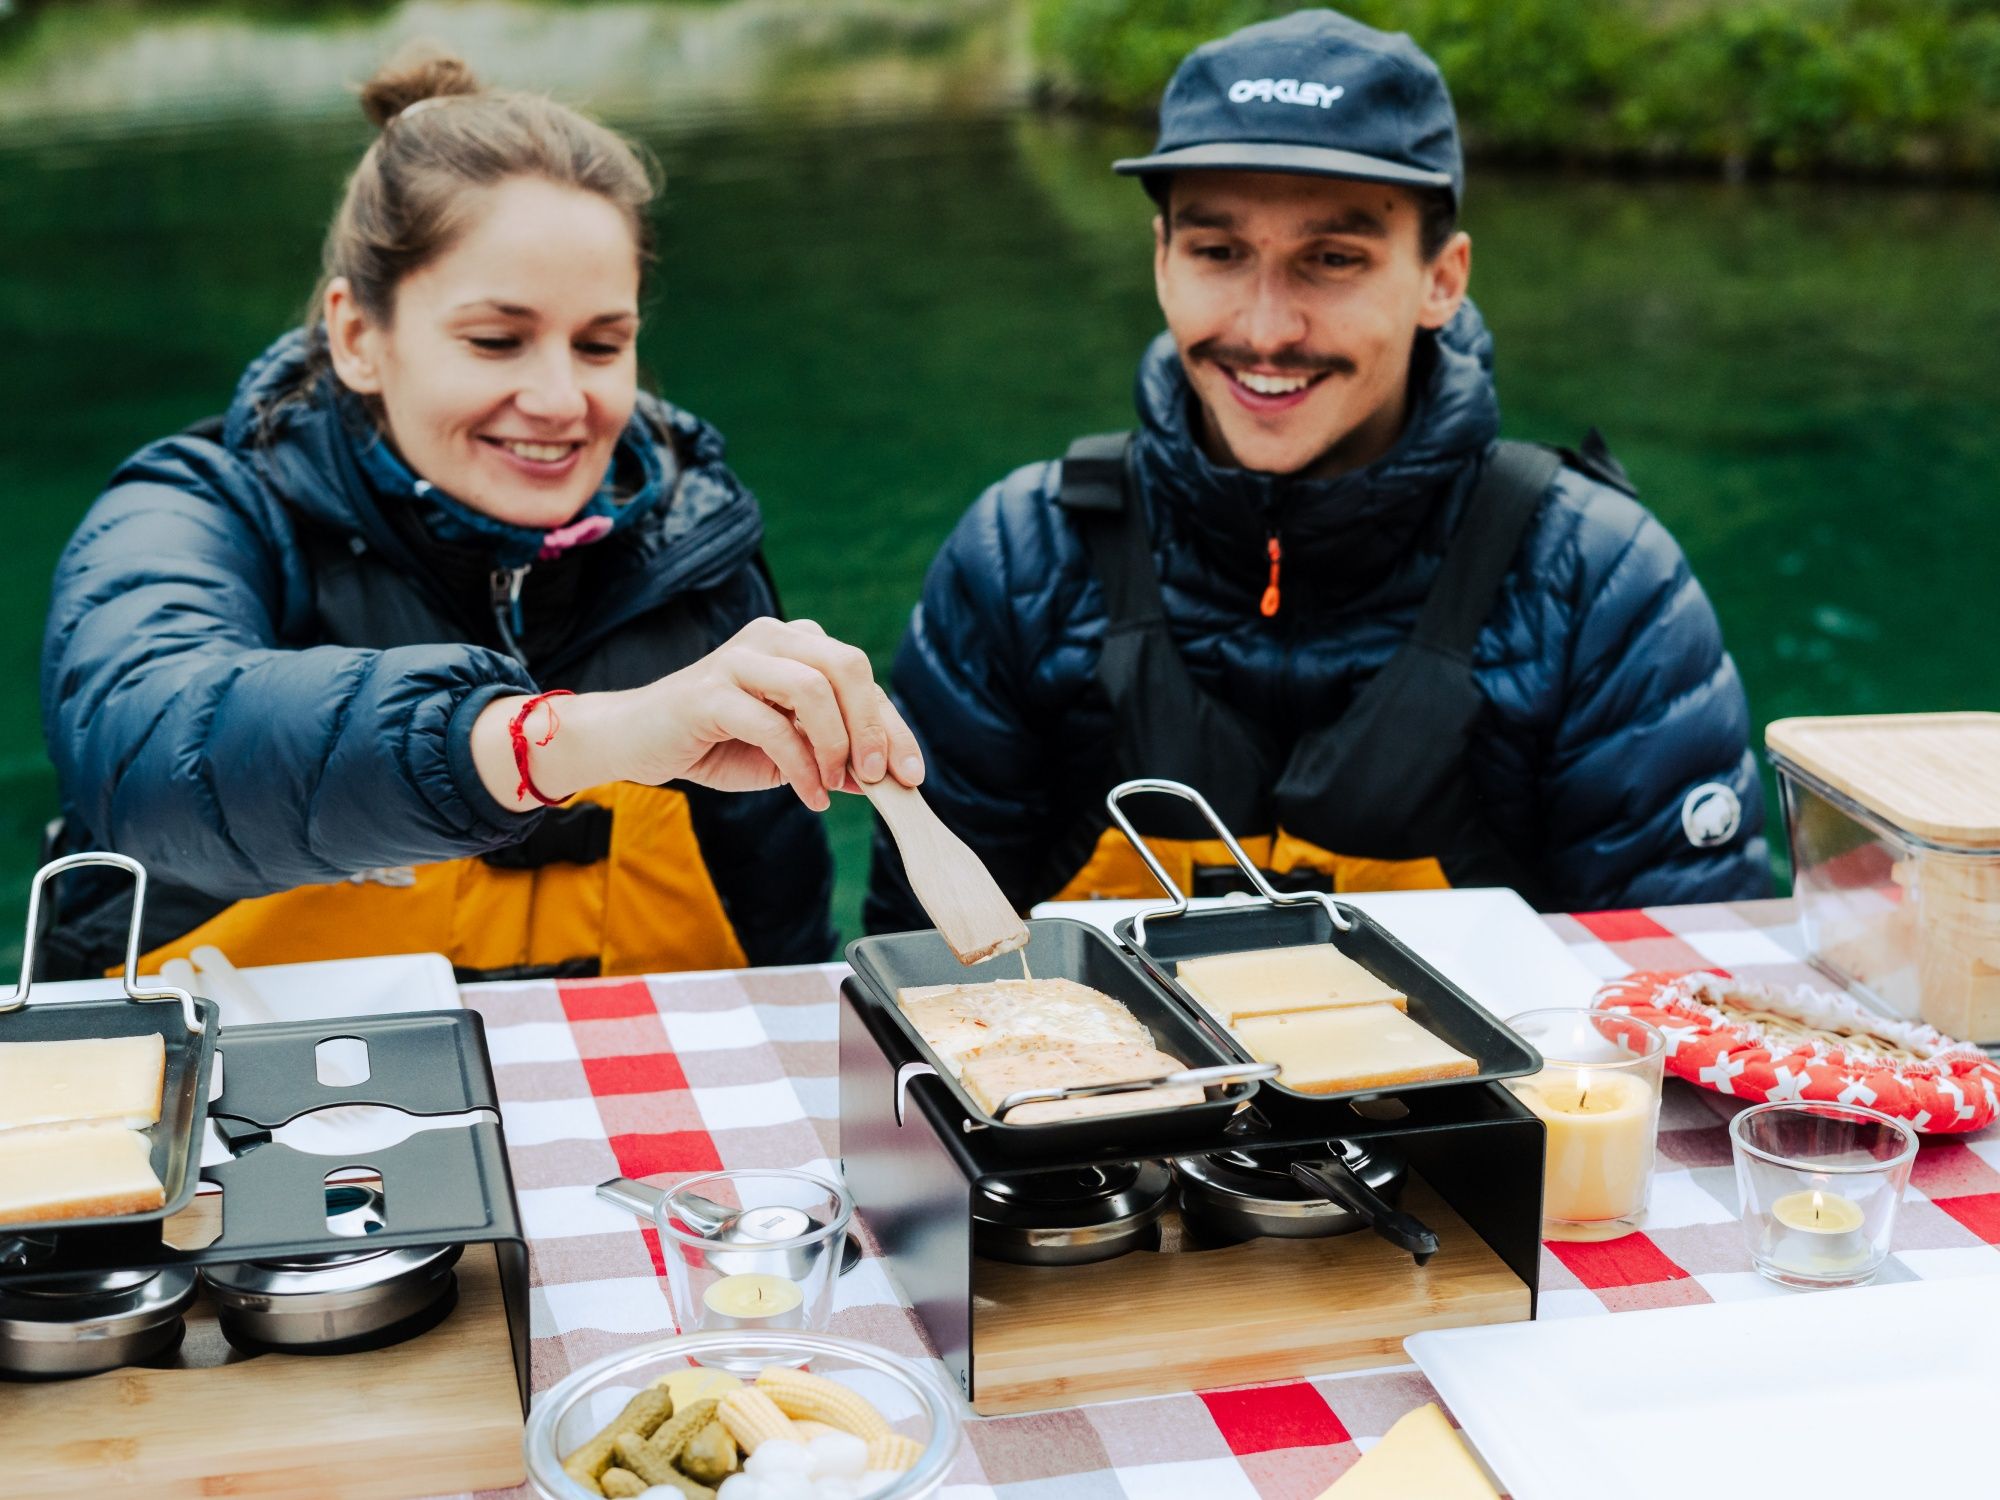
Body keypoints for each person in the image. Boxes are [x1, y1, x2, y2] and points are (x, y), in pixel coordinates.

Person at [866, 9, 1767, 931]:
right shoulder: (1018, 559)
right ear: (1163, 262)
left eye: (1332, 260)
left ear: (1442, 281)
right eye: (1219, 253)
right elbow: (924, 962)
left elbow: (1677, 984)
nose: (1266, 329)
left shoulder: (1598, 582)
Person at [40, 50, 921, 981]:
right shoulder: (195, 509)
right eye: (496, 340)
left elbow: (777, 945)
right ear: (356, 336)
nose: (557, 399)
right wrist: (567, 740)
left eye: (600, 344)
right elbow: (151, 756)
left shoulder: (701, 555)